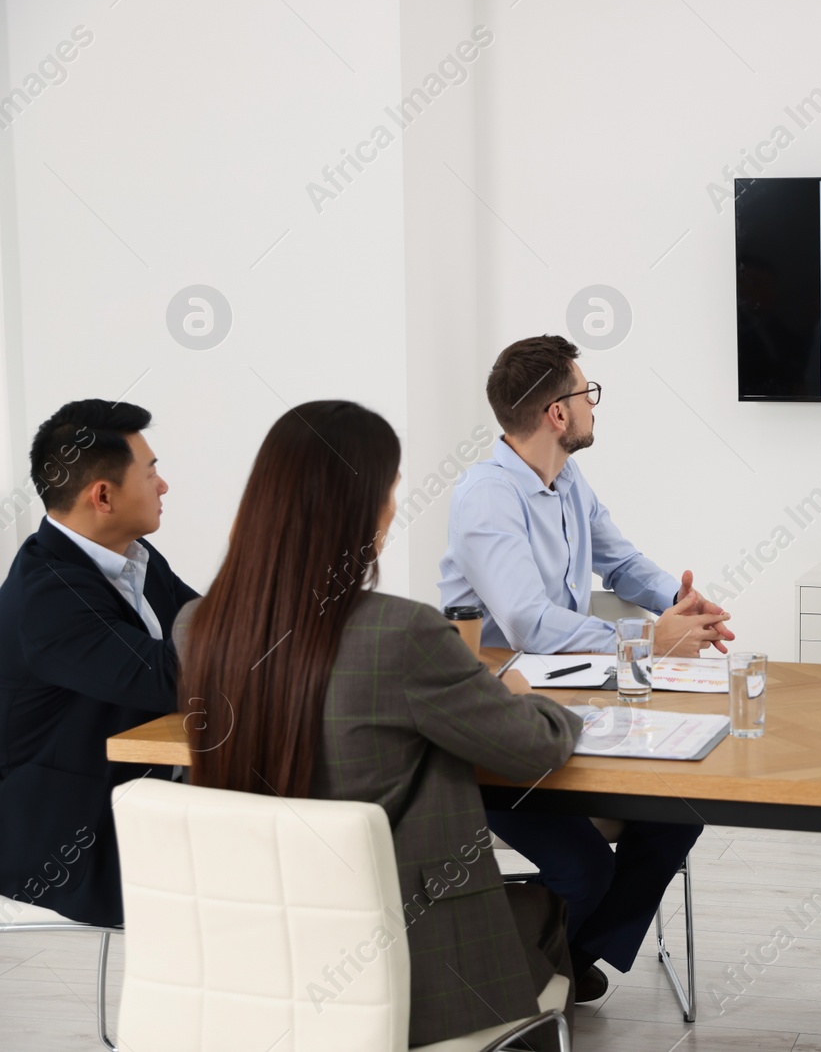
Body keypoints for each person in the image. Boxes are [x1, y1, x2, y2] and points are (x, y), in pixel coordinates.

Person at [176, 400, 582, 1047]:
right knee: (549, 907)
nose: (394, 508)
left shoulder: (200, 628)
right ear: (362, 509)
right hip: (412, 972)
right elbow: (535, 746)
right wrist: (526, 694)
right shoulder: (404, 633)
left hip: (258, 956)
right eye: (390, 490)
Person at [440, 335, 726, 1003]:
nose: (593, 404)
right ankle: (531, 982)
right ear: (557, 414)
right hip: (496, 727)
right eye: (584, 391)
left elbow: (621, 561)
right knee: (586, 868)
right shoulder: (486, 497)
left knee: (678, 813)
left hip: (574, 710)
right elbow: (529, 622)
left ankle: (562, 963)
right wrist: (650, 639)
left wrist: (681, 604)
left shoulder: (566, 479)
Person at [0, 400, 196, 926]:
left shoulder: (134, 557)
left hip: (150, 800)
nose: (163, 486)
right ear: (103, 495)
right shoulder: (46, 594)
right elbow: (168, 676)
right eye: (151, 472)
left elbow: (214, 625)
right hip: (70, 844)